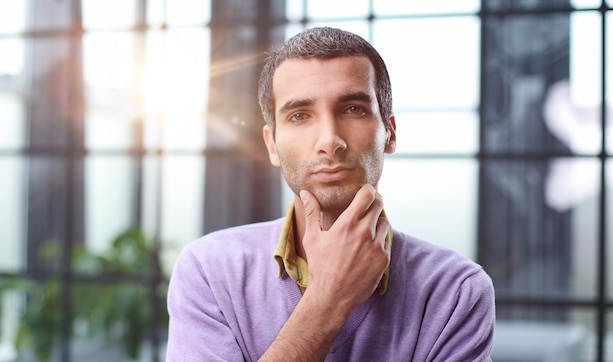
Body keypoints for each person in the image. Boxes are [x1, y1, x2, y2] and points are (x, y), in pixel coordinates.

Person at [166, 26, 495, 361]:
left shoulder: (457, 291)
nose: (329, 140)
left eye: (353, 109)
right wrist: (328, 298)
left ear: (390, 133)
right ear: (272, 146)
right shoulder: (209, 270)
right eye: (299, 115)